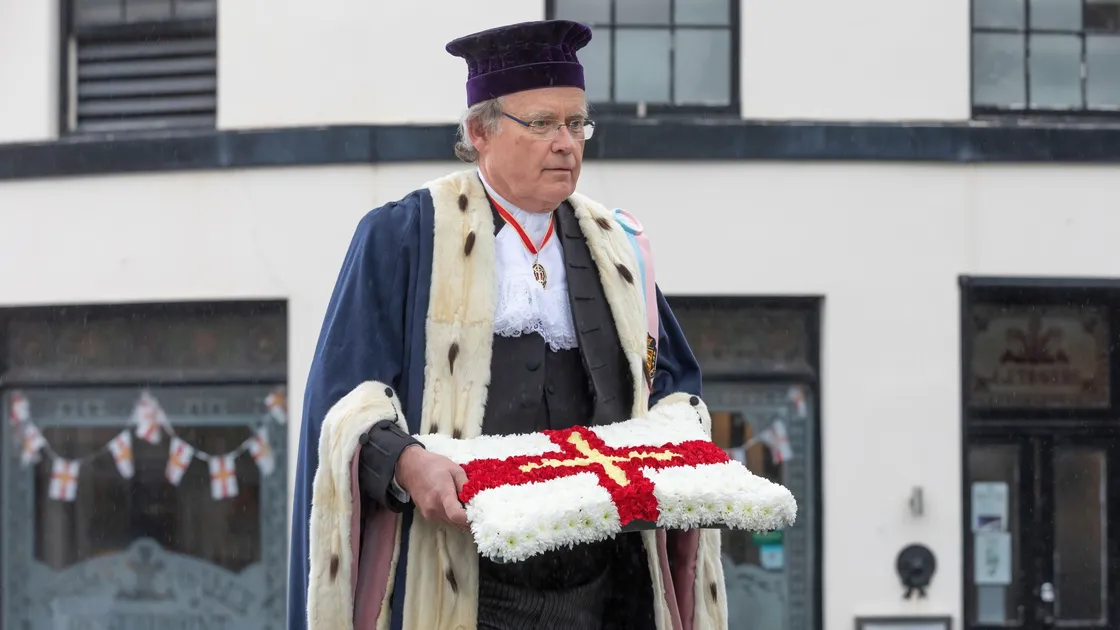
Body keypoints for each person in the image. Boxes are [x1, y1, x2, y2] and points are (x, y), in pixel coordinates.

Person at [288, 19, 728, 630]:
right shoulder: (404, 236)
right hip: (461, 585)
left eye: (577, 123)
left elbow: (676, 388)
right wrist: (409, 464)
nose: (567, 143)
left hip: (604, 594)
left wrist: (671, 441)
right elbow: (342, 404)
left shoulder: (618, 247)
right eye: (543, 123)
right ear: (478, 132)